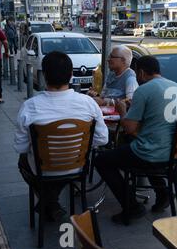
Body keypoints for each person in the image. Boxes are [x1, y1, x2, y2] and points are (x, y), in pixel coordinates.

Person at [14, 51, 109, 221]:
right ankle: (51, 203)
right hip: (78, 166)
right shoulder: (88, 104)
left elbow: (20, 147)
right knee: (59, 168)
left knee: (23, 161)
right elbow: (103, 139)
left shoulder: (30, 106)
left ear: (44, 75)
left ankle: (50, 203)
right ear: (71, 75)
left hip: (43, 169)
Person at [94, 55, 177, 224]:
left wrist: (122, 110)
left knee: (102, 160)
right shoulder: (175, 87)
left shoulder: (143, 90)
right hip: (170, 152)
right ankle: (163, 193)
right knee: (133, 146)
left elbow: (129, 128)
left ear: (141, 73)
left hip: (149, 153)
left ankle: (132, 206)